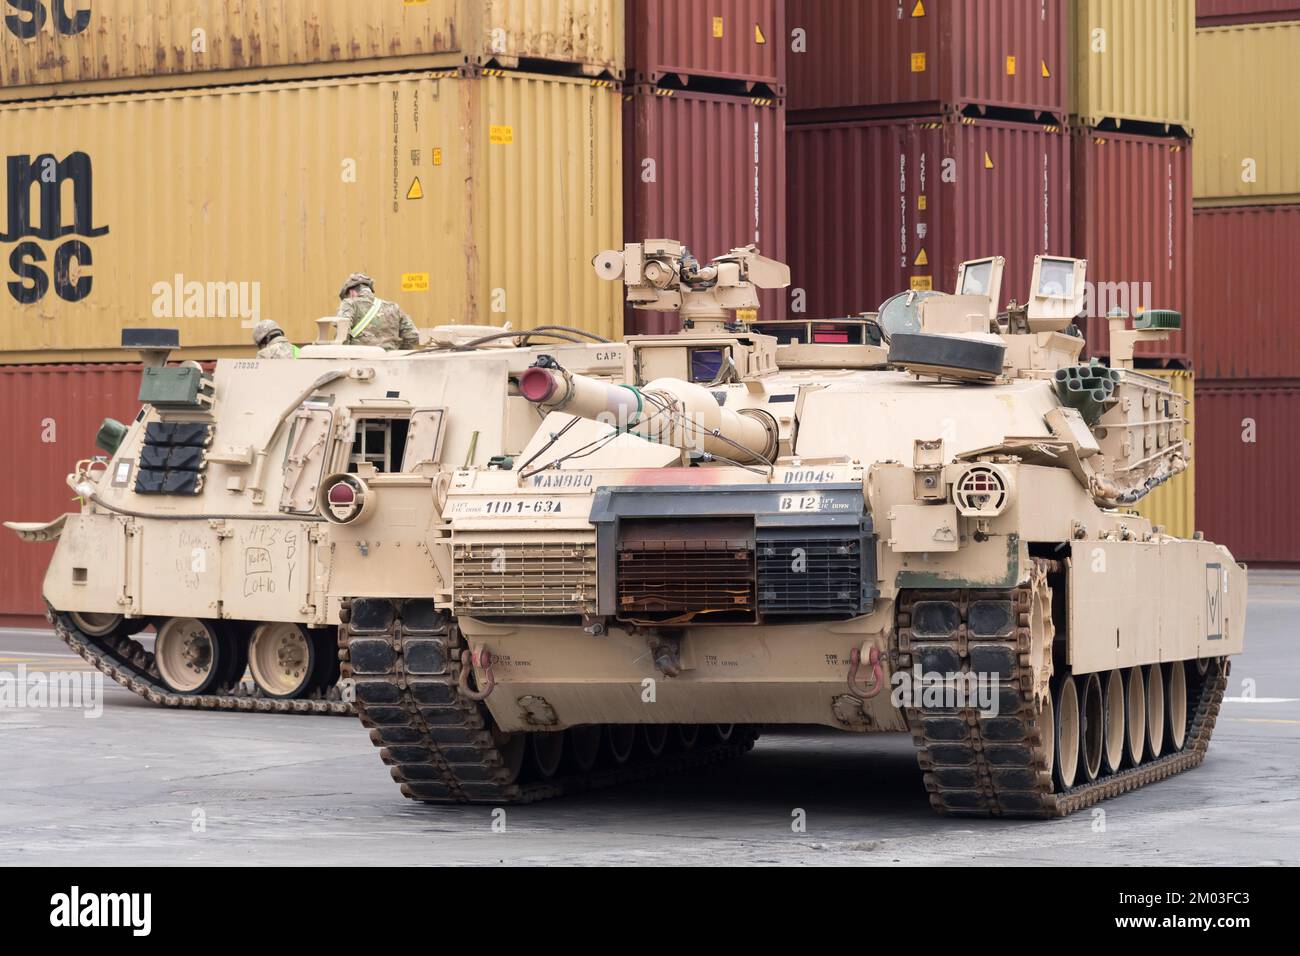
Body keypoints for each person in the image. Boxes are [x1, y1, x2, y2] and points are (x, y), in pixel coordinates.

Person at [336, 273, 420, 350]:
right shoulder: (393, 307)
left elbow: (342, 332)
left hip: (360, 362)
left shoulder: (349, 303)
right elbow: (413, 335)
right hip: (391, 360)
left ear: (351, 292)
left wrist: (345, 356)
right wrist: (398, 353)